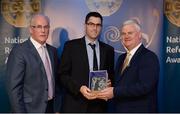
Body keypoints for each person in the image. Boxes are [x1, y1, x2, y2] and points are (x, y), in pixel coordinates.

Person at [97, 19, 160, 112]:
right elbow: (121, 83)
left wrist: (114, 91)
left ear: (139, 35)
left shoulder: (148, 57)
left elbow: (144, 86)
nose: (126, 36)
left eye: (130, 33)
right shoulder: (121, 58)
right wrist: (110, 85)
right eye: (123, 33)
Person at [58, 12, 114, 112]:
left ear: (101, 27)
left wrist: (109, 83)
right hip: (75, 105)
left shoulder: (108, 50)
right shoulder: (71, 46)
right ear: (85, 25)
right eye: (91, 24)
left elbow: (111, 75)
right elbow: (62, 75)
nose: (94, 28)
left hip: (99, 107)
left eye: (98, 25)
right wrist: (79, 88)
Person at [6, 14, 58, 113]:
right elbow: (14, 90)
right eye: (39, 27)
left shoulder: (53, 51)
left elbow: (56, 82)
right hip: (30, 110)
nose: (43, 30)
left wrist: (57, 108)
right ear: (31, 29)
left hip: (51, 108)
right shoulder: (19, 51)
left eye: (46, 27)